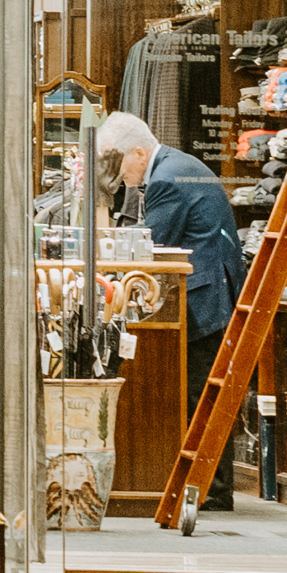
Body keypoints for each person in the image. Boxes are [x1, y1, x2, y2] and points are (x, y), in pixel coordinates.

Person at [102, 108, 244, 513]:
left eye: (118, 161)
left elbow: (149, 243)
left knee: (200, 392)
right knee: (200, 391)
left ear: (139, 153)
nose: (118, 172)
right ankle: (207, 486)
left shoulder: (166, 179)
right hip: (209, 291)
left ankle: (213, 490)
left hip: (203, 299)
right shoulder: (173, 167)